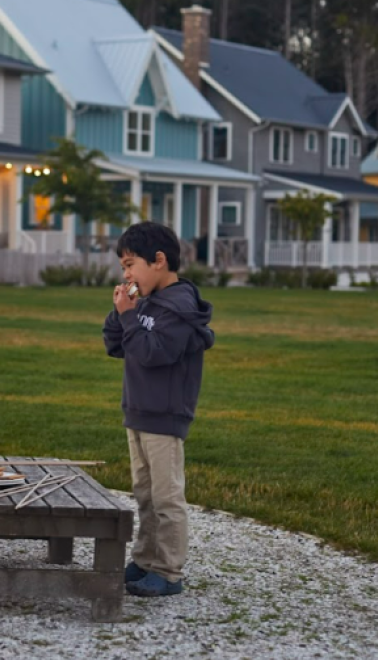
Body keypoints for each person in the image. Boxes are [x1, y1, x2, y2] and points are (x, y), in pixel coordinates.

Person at [102, 222, 215, 597]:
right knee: (145, 494)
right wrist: (119, 313)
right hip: (138, 410)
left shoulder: (180, 308)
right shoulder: (145, 301)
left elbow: (154, 353)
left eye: (131, 264)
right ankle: (145, 560)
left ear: (160, 260)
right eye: (123, 267)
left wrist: (131, 317)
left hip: (165, 416)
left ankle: (167, 572)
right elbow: (117, 345)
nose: (127, 273)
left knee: (166, 497)